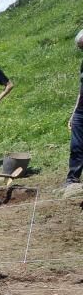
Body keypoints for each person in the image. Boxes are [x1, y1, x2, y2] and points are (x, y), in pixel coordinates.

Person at [67, 28, 83, 187]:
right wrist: (73, 114)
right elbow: (81, 90)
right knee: (76, 146)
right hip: (81, 111)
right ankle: (72, 179)